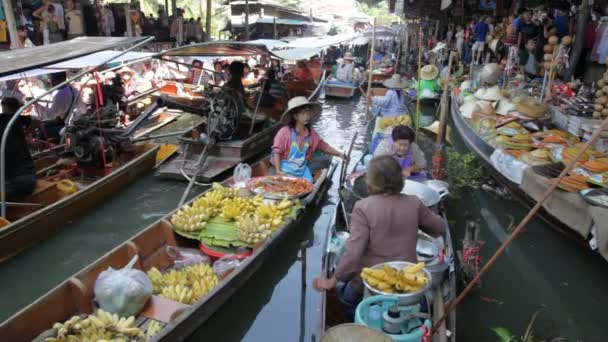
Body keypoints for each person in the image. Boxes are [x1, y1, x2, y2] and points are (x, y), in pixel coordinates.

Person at [313, 155, 446, 318]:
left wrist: (334, 279)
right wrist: (428, 214)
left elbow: (353, 252)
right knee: (420, 304)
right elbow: (438, 228)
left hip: (371, 280)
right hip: (407, 279)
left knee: (346, 300)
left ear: (372, 183)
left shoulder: (362, 207)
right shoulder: (415, 203)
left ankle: (353, 322)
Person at [271, 96, 346, 181]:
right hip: (284, 168)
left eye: (308, 112)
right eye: (303, 113)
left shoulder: (311, 134)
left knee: (308, 184)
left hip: (301, 169)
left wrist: (340, 154)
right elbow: (276, 151)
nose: (307, 116)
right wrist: (278, 171)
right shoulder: (284, 132)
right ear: (295, 116)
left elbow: (323, 146)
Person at [0, 97, 36, 201]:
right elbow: (36, 122)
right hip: (21, 178)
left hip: (11, 177)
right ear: (17, 109)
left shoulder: (9, 120)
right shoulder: (16, 119)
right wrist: (27, 135)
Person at [32, 72, 82, 141]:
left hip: (72, 125)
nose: (50, 82)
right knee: (47, 124)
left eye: (51, 79)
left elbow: (50, 116)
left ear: (56, 80)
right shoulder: (71, 88)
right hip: (78, 119)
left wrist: (36, 104)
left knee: (42, 130)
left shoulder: (60, 95)